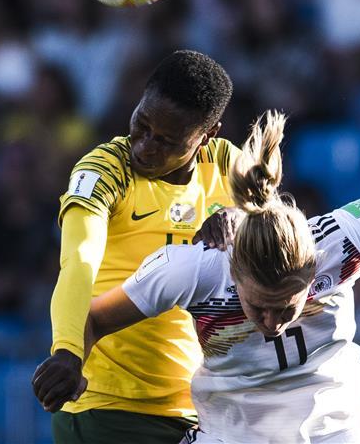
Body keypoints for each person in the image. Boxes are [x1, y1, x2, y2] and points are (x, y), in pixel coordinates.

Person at [80, 111, 360, 443]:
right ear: (234, 271)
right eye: (258, 306)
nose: (273, 321)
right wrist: (72, 363)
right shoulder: (193, 267)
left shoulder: (343, 237)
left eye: (288, 306)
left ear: (314, 268)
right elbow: (94, 320)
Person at [32, 50, 240, 443]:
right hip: (107, 406)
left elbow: (283, 230)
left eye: (166, 140)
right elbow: (78, 262)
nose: (145, 147)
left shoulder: (227, 165)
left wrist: (243, 218)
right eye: (141, 125)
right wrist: (67, 351)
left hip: (198, 410)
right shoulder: (105, 171)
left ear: (207, 134)